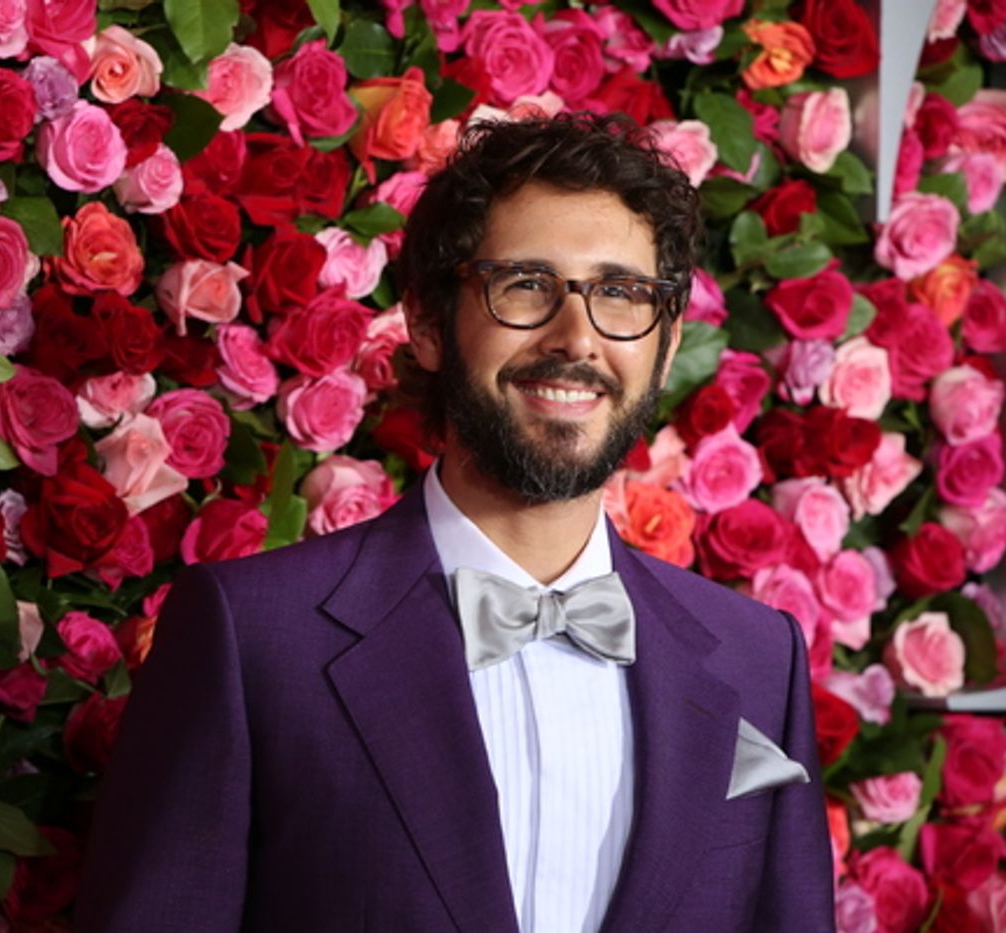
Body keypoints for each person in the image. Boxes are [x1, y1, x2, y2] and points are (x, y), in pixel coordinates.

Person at [74, 114, 835, 933]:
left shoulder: (760, 659)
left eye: (620, 293)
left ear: (666, 337)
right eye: (525, 284)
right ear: (431, 325)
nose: (577, 337)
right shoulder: (253, 638)